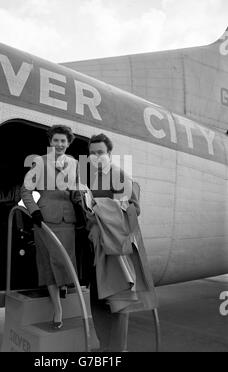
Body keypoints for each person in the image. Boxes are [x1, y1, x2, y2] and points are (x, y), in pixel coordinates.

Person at [86, 133, 140, 352]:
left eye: (100, 152)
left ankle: (117, 351)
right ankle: (104, 346)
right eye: (91, 153)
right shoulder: (92, 180)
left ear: (109, 154)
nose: (95, 157)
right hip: (97, 247)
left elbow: (134, 209)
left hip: (116, 249)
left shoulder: (120, 176)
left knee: (118, 301)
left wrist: (99, 206)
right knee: (97, 299)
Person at [21, 125, 78, 330]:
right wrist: (34, 211)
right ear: (50, 142)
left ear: (68, 143)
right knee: (47, 265)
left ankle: (63, 287)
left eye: (63, 141)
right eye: (56, 140)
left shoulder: (74, 163)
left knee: (64, 261)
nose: (60, 144)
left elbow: (76, 191)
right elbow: (25, 190)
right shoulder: (39, 161)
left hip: (67, 220)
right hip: (44, 220)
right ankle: (58, 309)